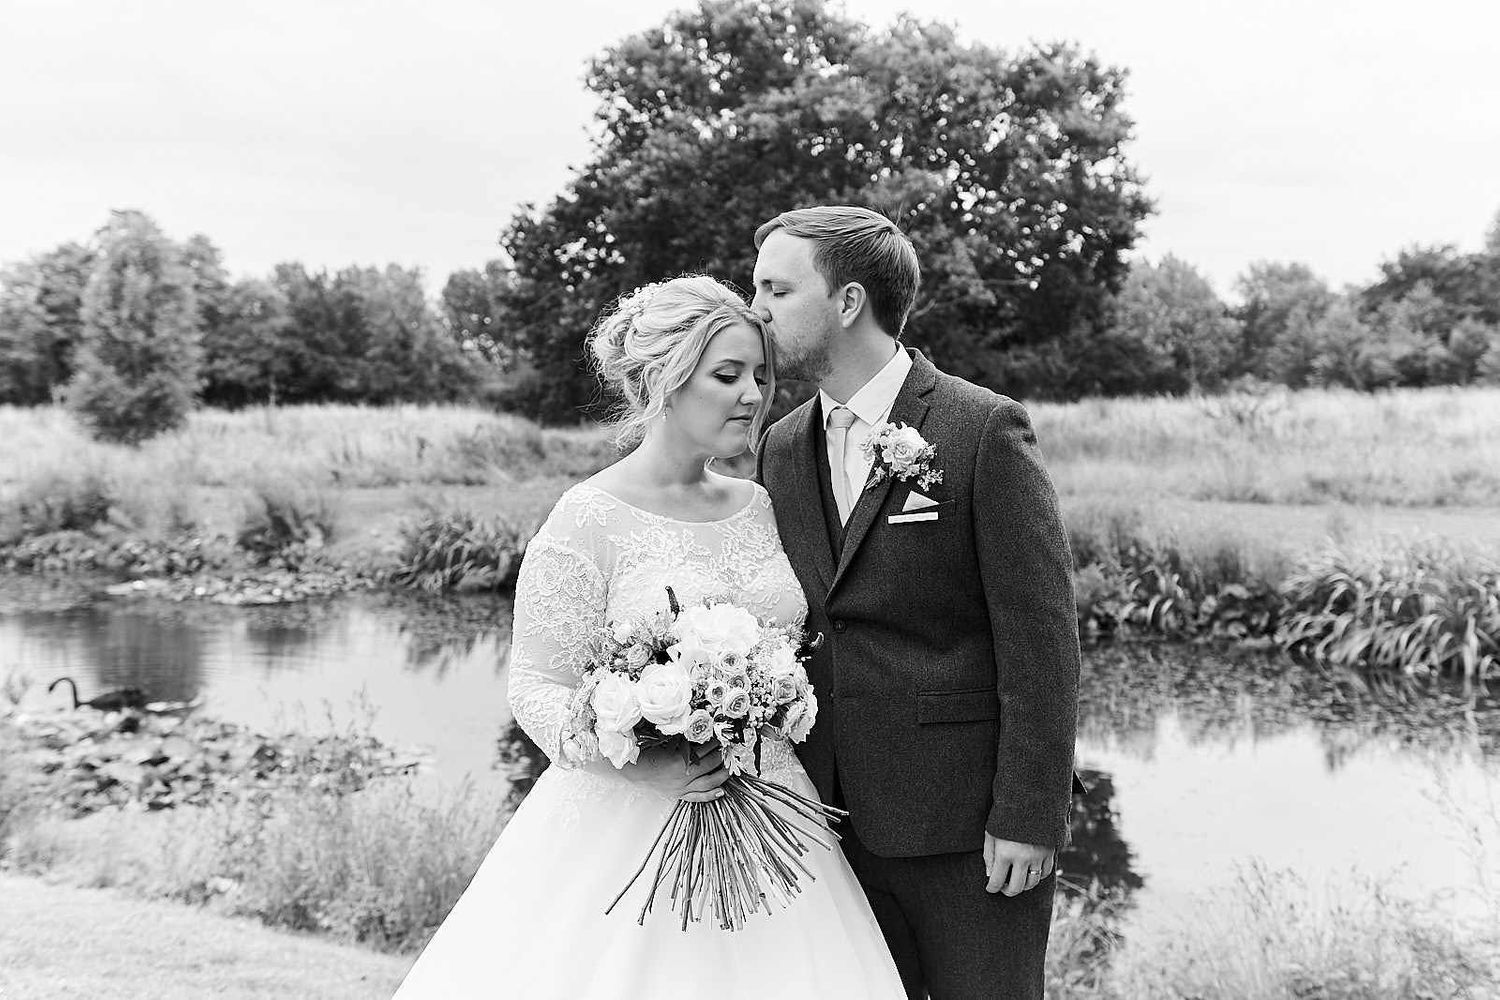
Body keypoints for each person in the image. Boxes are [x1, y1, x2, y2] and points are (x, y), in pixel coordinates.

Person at [389, 274, 905, 1000]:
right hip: (629, 823)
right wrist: (638, 766)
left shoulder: (760, 504)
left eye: (760, 374)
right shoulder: (586, 519)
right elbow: (535, 686)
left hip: (775, 801)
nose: (754, 395)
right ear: (665, 379)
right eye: (728, 375)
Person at [753, 206, 1083, 1000]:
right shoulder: (780, 445)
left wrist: (1030, 814)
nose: (755, 308)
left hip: (968, 830)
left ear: (847, 302)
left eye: (776, 287)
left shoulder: (981, 429)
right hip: (825, 825)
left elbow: (1041, 639)